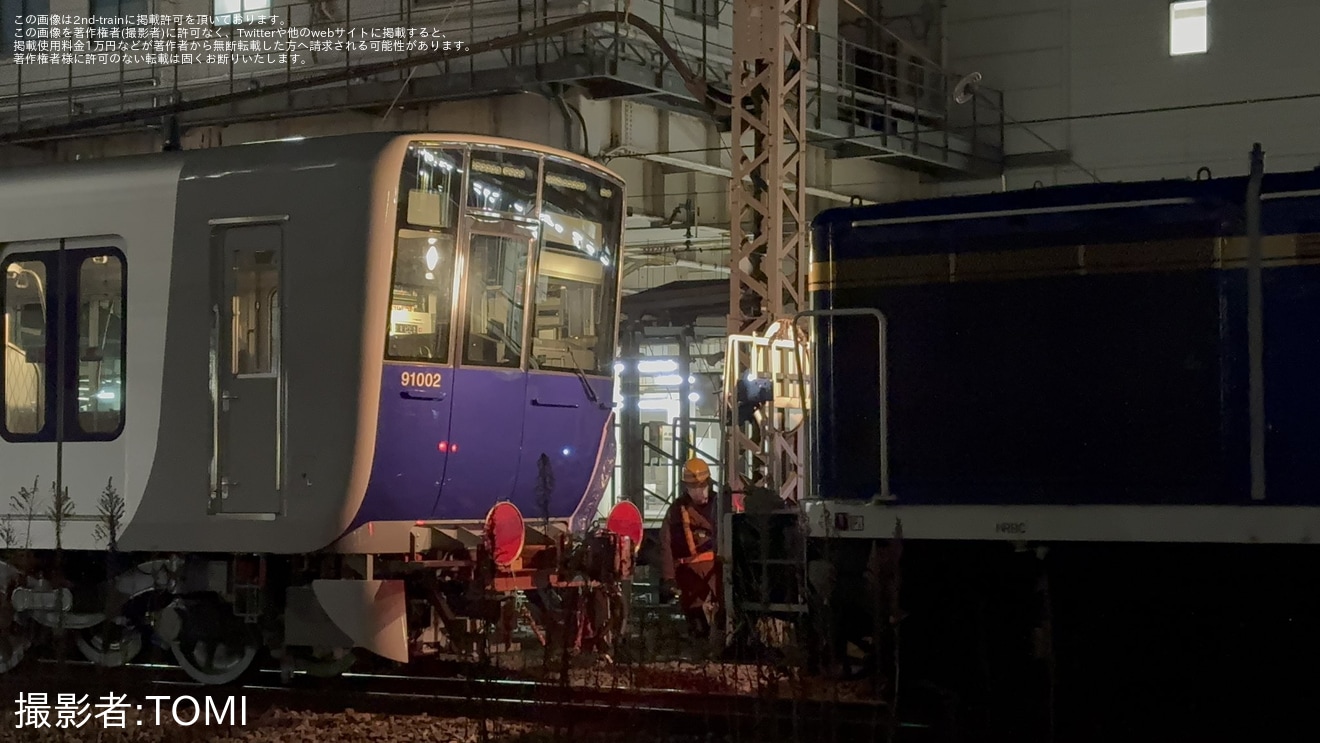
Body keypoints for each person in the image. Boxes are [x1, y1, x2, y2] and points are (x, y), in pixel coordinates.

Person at [659, 457, 722, 639]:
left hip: (718, 576)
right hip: (690, 579)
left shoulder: (721, 505)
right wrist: (668, 578)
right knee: (697, 622)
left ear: (708, 483)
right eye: (693, 487)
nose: (698, 491)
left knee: (722, 617)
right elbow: (666, 544)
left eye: (702, 486)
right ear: (686, 487)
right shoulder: (677, 510)